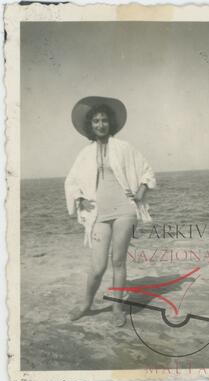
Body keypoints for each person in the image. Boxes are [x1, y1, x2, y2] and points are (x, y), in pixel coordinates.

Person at [65, 96, 156, 327]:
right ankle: (86, 304)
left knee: (118, 260)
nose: (101, 124)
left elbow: (147, 171)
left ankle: (117, 307)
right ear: (90, 125)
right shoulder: (85, 153)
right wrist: (79, 199)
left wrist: (140, 193)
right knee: (97, 266)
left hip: (124, 210)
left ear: (110, 123)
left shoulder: (124, 147)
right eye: (96, 121)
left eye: (104, 120)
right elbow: (72, 181)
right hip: (98, 213)